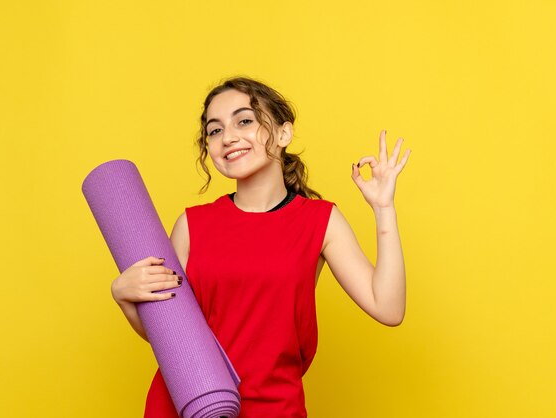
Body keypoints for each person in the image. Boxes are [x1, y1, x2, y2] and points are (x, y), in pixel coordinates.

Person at [110, 76, 410, 417]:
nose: (228, 137)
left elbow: (388, 308)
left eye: (244, 121)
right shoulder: (191, 225)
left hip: (274, 407)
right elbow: (170, 336)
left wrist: (384, 209)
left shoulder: (320, 221)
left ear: (283, 133)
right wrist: (123, 296)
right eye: (215, 130)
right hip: (188, 405)